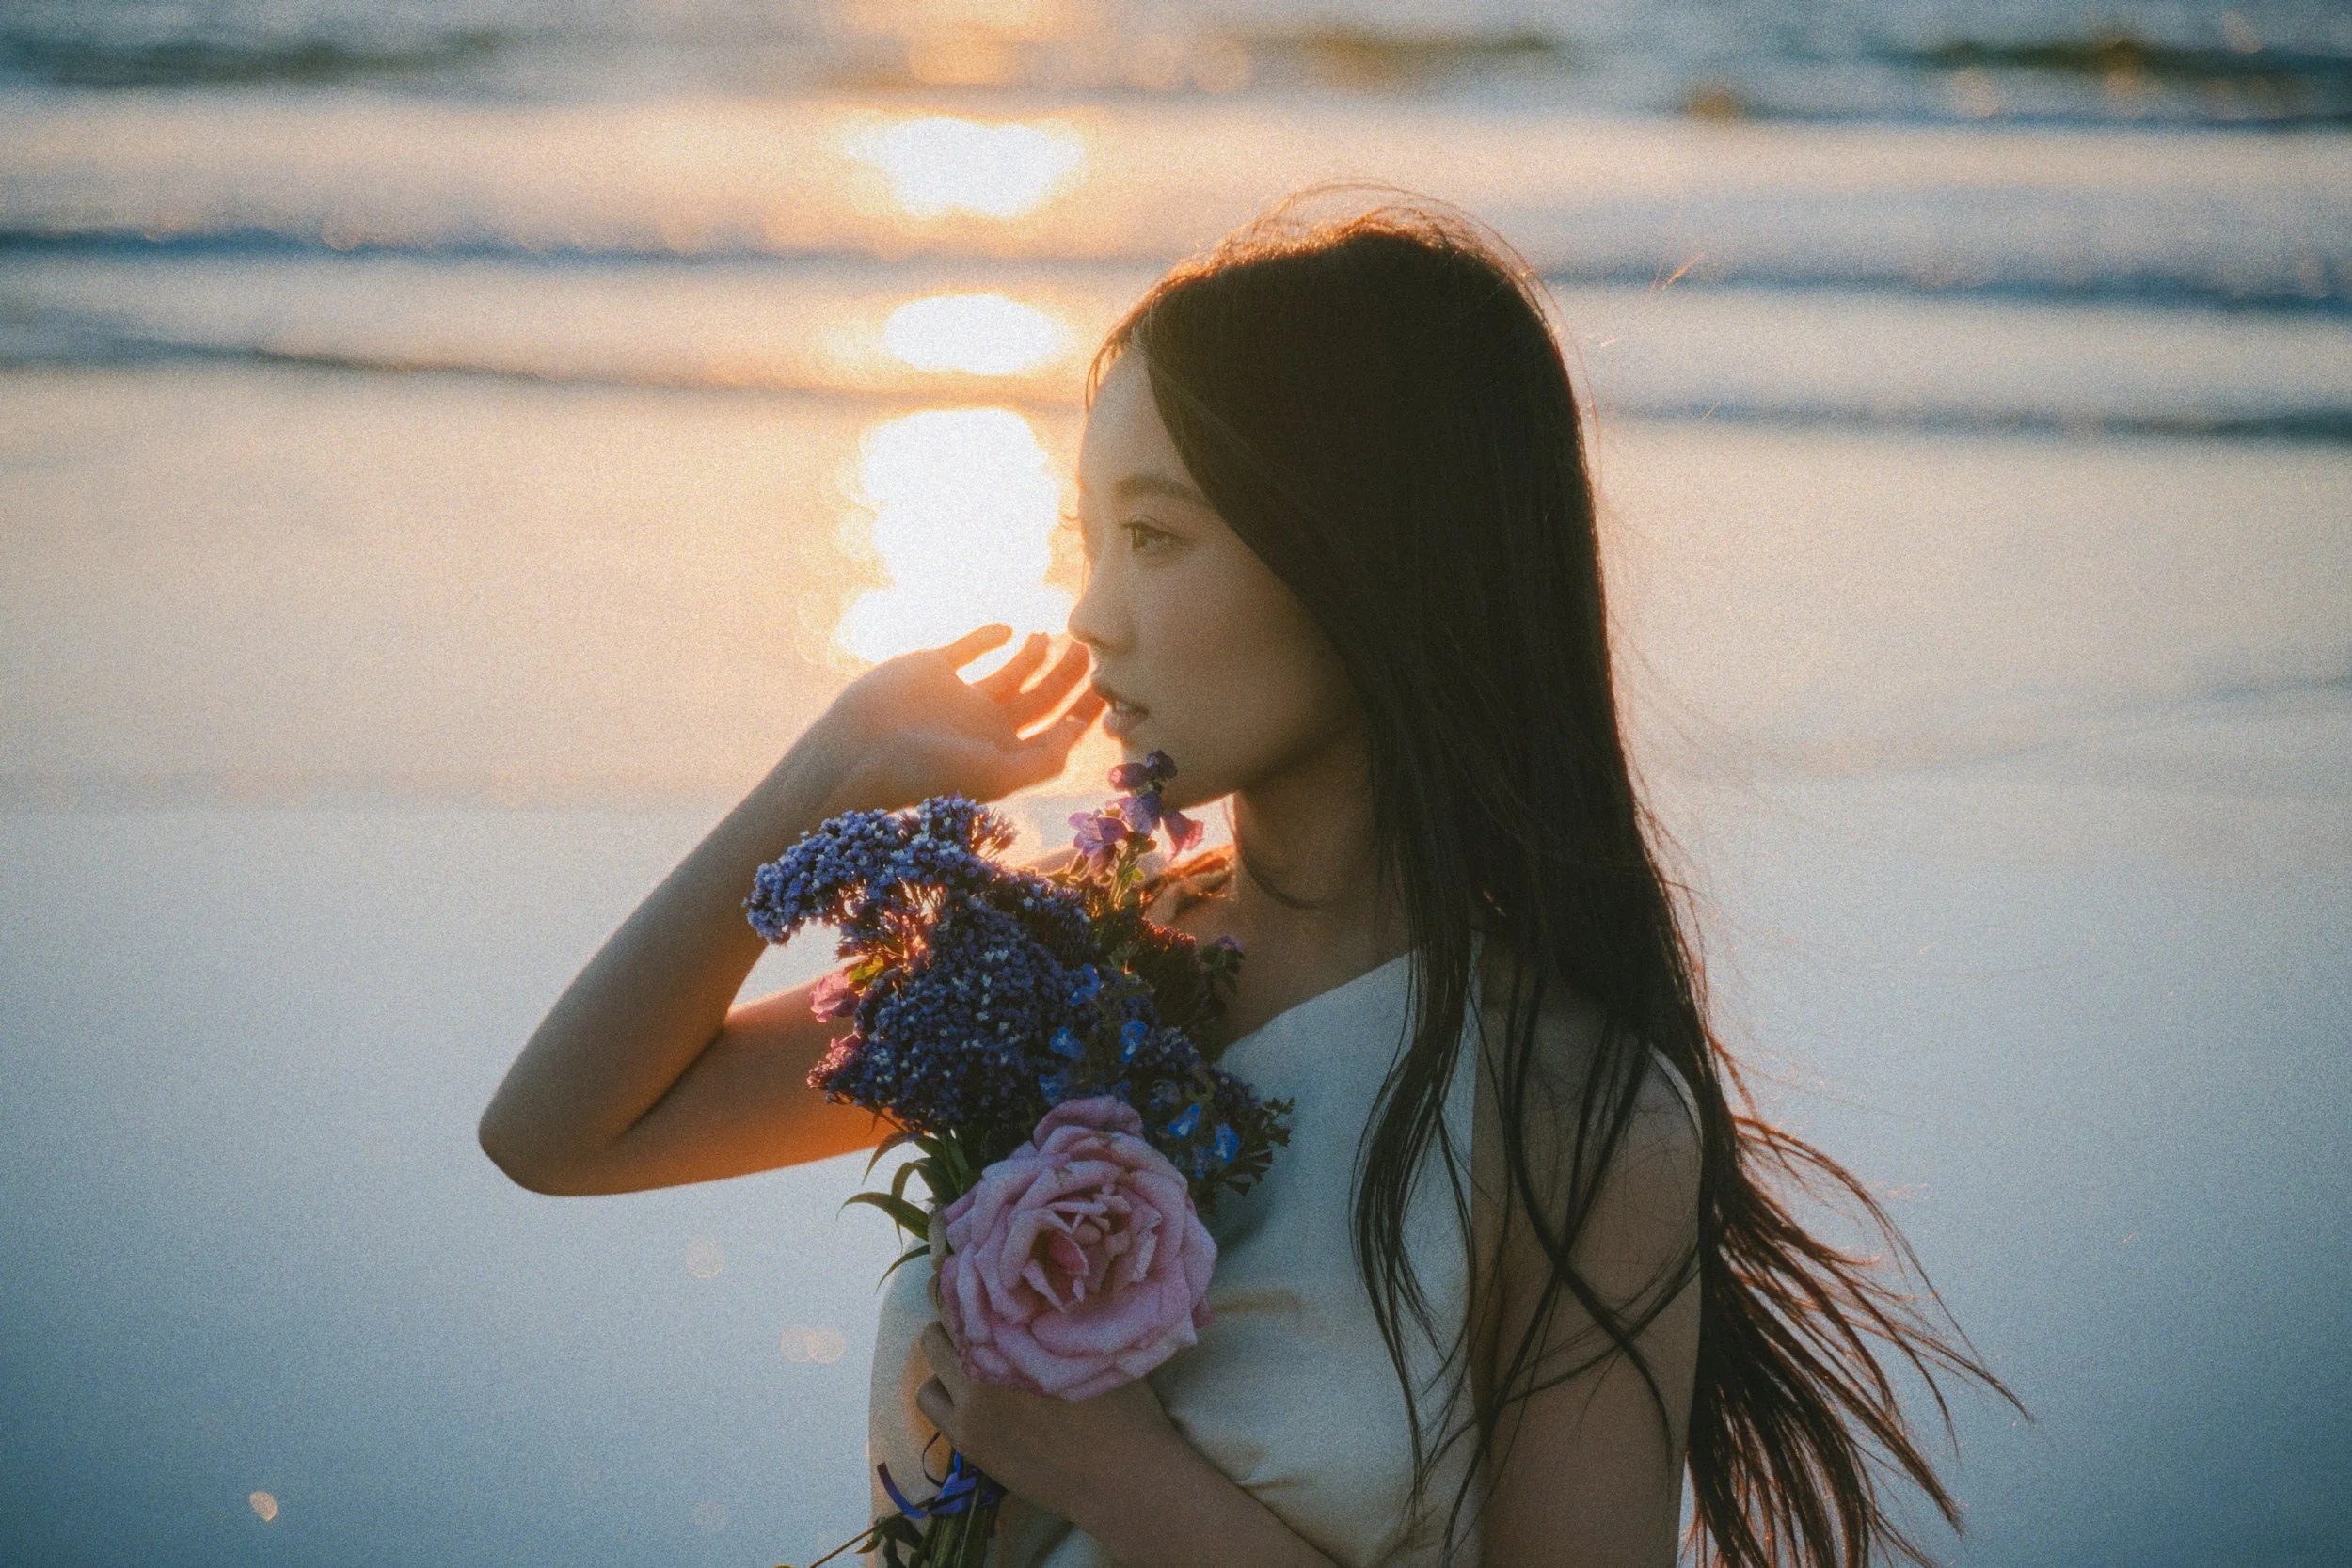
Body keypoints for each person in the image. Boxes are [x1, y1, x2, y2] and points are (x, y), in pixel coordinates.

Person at [479, 198, 2010, 1568]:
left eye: (1153, 536)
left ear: (1364, 554)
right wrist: (827, 771)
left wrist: (1128, 1480)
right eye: (1089, 540)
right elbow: (561, 1132)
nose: (1092, 614)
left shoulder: (1574, 1112)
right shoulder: (1061, 967)